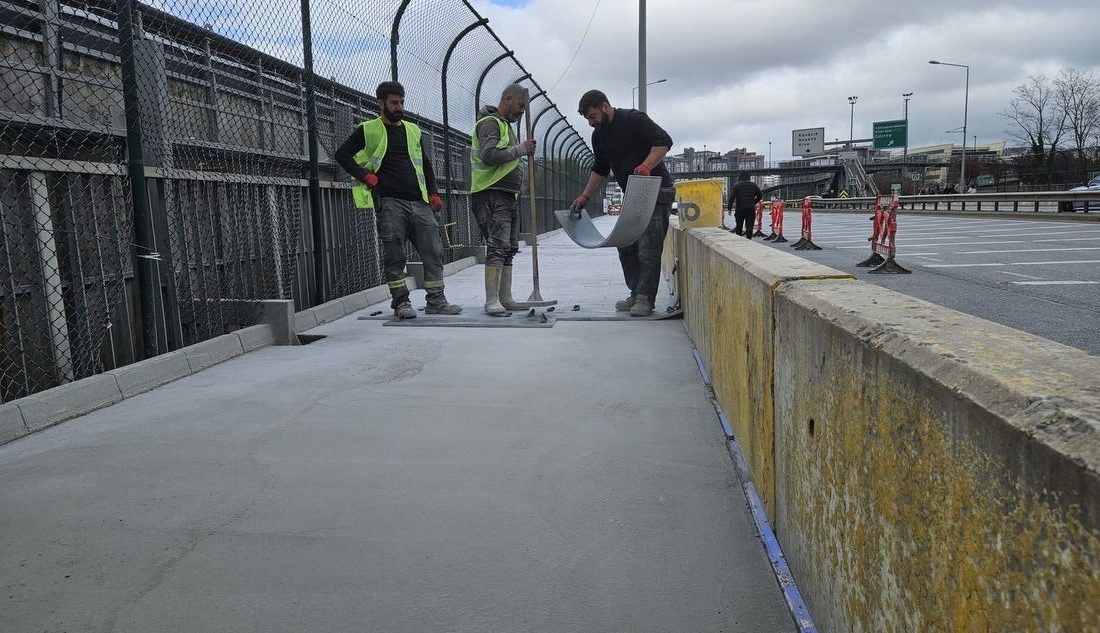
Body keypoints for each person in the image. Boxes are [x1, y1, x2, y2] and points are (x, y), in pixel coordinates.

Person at [334, 81, 461, 320]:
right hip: (391, 204)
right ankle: (401, 303)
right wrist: (365, 176)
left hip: (420, 202)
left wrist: (433, 193)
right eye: (394, 103)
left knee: (434, 252)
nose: (399, 107)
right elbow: (341, 154)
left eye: (402, 102)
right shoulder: (368, 129)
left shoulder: (413, 130)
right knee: (395, 256)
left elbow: (424, 163)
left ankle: (436, 301)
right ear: (381, 103)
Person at [569, 90, 674, 317]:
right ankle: (636, 293)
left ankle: (646, 299)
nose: (591, 122)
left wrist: (646, 165)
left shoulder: (634, 120)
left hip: (656, 191)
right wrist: (585, 196)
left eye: (593, 116)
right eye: (587, 119)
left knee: (648, 247)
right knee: (626, 244)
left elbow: (664, 142)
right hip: (633, 195)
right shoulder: (599, 136)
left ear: (605, 106)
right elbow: (600, 169)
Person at [470, 84, 537, 315]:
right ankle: (492, 301)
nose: (521, 112)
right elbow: (489, 156)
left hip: (506, 195)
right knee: (498, 245)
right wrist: (521, 149)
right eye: (520, 106)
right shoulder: (490, 123)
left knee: (509, 247)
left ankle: (505, 297)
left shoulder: (506, 127)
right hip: (490, 193)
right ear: (507, 99)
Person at [725, 172, 763, 238]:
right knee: (749, 227)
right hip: (750, 209)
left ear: (740, 177)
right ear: (749, 177)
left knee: (739, 226)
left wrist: (729, 208)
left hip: (740, 209)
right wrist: (753, 202)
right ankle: (749, 240)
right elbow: (760, 195)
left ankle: (739, 240)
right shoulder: (753, 185)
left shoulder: (737, 185)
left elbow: (732, 198)